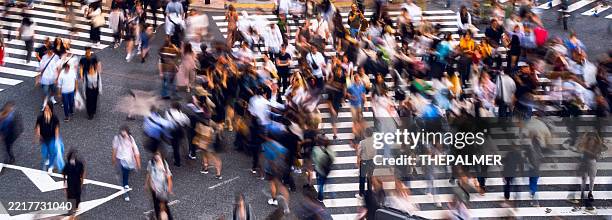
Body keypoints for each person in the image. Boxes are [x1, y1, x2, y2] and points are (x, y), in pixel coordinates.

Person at [112, 126, 141, 201]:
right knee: (123, 177)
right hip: (121, 160)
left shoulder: (131, 139)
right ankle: (125, 191)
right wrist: (114, 159)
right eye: (123, 135)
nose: (124, 136)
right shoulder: (117, 139)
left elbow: (135, 150)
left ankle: (125, 187)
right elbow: (115, 150)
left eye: (125, 134)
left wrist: (138, 162)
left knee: (125, 175)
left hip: (128, 161)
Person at [146, 152, 174, 220]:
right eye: (155, 154)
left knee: (163, 207)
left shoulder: (164, 164)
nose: (156, 156)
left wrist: (169, 188)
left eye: (158, 154)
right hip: (154, 189)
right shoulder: (151, 163)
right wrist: (147, 183)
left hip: (162, 190)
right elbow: (149, 173)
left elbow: (169, 177)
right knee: (157, 206)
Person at [35, 102, 60, 172]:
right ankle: (47, 158)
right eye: (45, 108)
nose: (46, 110)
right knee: (44, 153)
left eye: (47, 109)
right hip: (43, 138)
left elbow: (56, 128)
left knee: (52, 152)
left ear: (51, 109)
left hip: (52, 138)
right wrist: (38, 135)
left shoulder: (54, 118)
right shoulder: (40, 117)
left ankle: (51, 166)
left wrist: (57, 139)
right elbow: (38, 126)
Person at [165, 102, 190, 167]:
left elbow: (167, 122)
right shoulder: (182, 115)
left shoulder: (168, 113)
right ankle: (186, 155)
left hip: (172, 131)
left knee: (175, 147)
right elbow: (187, 121)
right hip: (180, 131)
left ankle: (177, 161)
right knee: (183, 143)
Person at [62, 150, 85, 217]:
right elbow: (64, 173)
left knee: (77, 194)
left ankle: (76, 206)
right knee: (70, 195)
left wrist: (82, 181)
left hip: (77, 182)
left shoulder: (79, 164)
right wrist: (64, 182)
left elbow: (82, 173)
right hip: (70, 182)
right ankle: (71, 210)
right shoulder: (67, 165)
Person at [83, 52, 102, 120]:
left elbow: (99, 82)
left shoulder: (97, 74)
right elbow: (84, 84)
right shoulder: (86, 75)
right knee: (89, 102)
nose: (91, 69)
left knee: (94, 101)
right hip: (89, 90)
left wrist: (100, 90)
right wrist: (84, 93)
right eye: (90, 68)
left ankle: (93, 110)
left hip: (95, 90)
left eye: (92, 68)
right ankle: (89, 113)